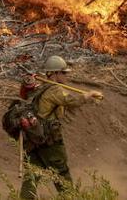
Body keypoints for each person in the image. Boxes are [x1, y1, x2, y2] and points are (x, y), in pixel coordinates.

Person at [20, 55, 103, 200]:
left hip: (34, 138)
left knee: (33, 172)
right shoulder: (54, 90)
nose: (66, 76)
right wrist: (88, 96)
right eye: (63, 73)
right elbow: (70, 100)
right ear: (55, 73)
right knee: (61, 171)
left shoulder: (40, 88)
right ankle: (69, 197)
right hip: (49, 139)